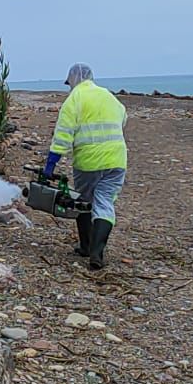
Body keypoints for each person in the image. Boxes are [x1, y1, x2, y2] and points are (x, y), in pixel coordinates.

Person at [42, 63, 127, 270]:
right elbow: (123, 118)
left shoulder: (75, 99)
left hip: (89, 162)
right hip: (117, 160)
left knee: (83, 202)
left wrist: (50, 165)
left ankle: (86, 247)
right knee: (105, 203)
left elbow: (63, 135)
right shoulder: (108, 96)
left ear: (72, 80)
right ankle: (97, 252)